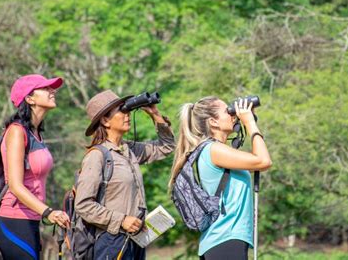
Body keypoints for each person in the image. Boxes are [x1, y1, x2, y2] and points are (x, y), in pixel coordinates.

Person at [75, 89, 175, 260]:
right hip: (111, 240)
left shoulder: (130, 150)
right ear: (105, 121)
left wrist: (155, 115)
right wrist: (121, 220)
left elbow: (167, 146)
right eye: (121, 110)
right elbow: (83, 205)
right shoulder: (97, 156)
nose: (127, 114)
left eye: (127, 109)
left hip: (135, 239)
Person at [168, 96, 272, 260]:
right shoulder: (213, 149)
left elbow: (257, 160)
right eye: (227, 111)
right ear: (213, 122)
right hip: (226, 238)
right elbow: (264, 161)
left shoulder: (215, 150)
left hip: (223, 239)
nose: (233, 114)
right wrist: (250, 123)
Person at [0, 74, 70, 260]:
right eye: (46, 88)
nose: (53, 91)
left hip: (31, 221)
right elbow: (16, 186)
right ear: (29, 99)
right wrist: (48, 212)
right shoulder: (17, 132)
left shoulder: (36, 134)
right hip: (13, 221)